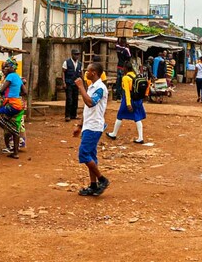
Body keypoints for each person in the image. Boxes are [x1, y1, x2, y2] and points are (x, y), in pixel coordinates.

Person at [74, 62, 110, 196]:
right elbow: (86, 110)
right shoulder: (92, 87)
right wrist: (80, 125)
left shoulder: (100, 88)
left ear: (94, 73)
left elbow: (90, 103)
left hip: (94, 126)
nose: (85, 73)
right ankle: (93, 185)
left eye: (87, 71)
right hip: (89, 125)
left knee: (83, 154)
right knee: (91, 156)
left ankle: (102, 179)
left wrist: (80, 87)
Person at [0, 58, 26, 159]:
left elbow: (2, 90)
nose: (5, 69)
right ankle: (15, 153)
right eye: (4, 67)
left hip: (11, 105)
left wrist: (7, 96)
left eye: (7, 67)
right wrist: (15, 95)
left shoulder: (10, 76)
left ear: (12, 68)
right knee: (15, 128)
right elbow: (25, 92)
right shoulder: (17, 77)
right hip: (20, 105)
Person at [106, 61, 148, 143]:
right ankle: (140, 137)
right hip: (137, 99)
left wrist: (128, 103)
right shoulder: (135, 75)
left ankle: (114, 134)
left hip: (129, 99)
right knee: (137, 117)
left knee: (120, 115)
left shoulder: (125, 78)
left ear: (125, 68)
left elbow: (127, 92)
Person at [62, 49, 82, 122]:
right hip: (69, 83)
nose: (77, 56)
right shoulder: (66, 62)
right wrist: (64, 82)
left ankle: (74, 114)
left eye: (78, 54)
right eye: (75, 54)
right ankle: (67, 115)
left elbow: (81, 74)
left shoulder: (80, 64)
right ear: (72, 54)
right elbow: (63, 72)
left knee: (75, 99)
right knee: (69, 99)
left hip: (76, 84)